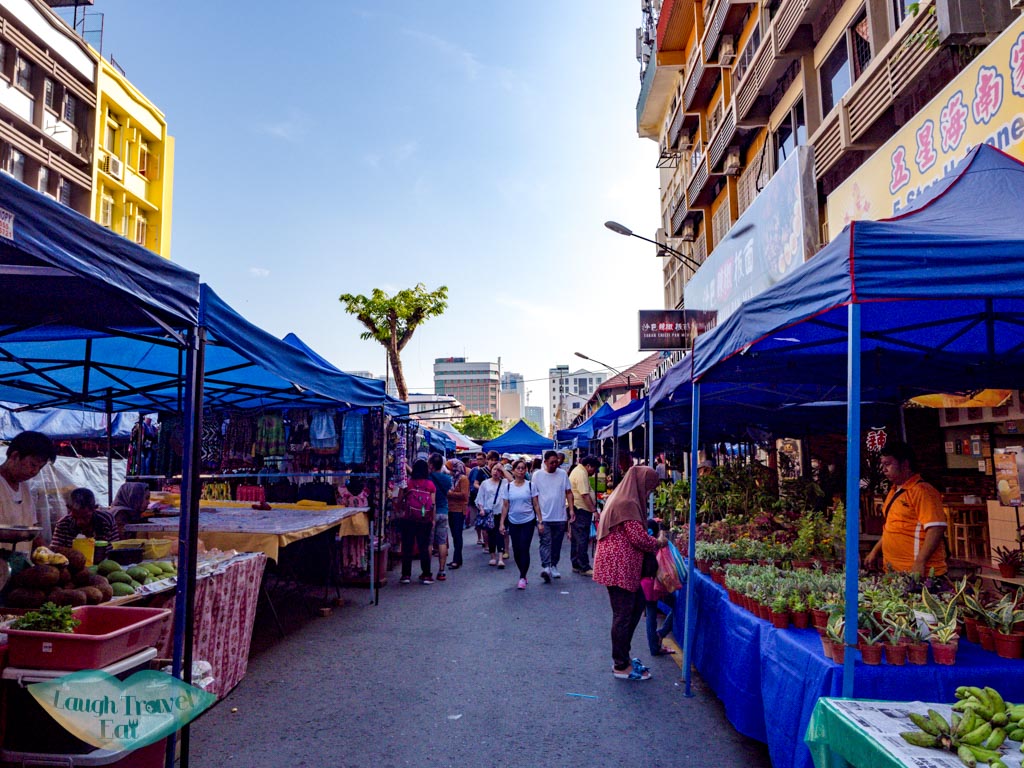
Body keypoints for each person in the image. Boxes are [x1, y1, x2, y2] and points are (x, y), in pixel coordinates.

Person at [592, 466, 667, 680]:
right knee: (624, 614)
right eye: (649, 488)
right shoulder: (627, 503)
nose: (649, 493)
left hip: (621, 564)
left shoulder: (623, 498)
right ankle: (621, 665)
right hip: (619, 565)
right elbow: (639, 538)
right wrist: (659, 542)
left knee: (634, 608)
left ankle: (623, 656)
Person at [864, 441, 947, 577]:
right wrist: (875, 551)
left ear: (905, 464)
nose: (884, 469)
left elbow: (936, 528)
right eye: (882, 464)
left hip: (919, 573)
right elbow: (892, 527)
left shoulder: (923, 491)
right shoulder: (894, 491)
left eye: (888, 464)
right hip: (894, 571)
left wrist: (920, 562)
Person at [0, 430, 56, 547]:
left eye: (40, 468)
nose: (35, 472)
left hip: (21, 563)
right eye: (33, 465)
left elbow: (32, 529)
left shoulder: (25, 488)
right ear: (14, 456)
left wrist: (50, 555)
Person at [499, 459, 543, 589]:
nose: (520, 470)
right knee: (517, 550)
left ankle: (522, 576)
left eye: (523, 468)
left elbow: (536, 504)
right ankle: (522, 572)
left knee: (524, 548)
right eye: (518, 468)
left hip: (528, 521)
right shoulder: (508, 487)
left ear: (526, 470)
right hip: (513, 521)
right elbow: (505, 506)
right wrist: (502, 523)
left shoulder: (530, 486)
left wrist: (540, 521)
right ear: (513, 471)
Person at [534, 450, 574, 583]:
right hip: (544, 516)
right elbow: (535, 497)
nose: (554, 465)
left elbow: (568, 492)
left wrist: (571, 510)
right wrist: (538, 517)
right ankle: (546, 566)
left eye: (556, 462)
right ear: (545, 462)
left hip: (560, 516)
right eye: (552, 463)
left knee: (556, 543)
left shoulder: (562, 474)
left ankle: (553, 565)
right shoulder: (537, 475)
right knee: (545, 542)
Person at [397, 459, 437, 584]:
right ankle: (426, 575)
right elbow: (433, 504)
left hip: (409, 519)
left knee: (407, 547)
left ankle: (406, 575)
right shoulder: (430, 485)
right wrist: (433, 519)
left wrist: (401, 508)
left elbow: (399, 500)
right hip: (425, 520)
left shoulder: (408, 483)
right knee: (423, 547)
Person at [641, 517, 676, 656]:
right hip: (654, 583)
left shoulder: (642, 544)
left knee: (651, 614)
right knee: (678, 606)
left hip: (643, 584)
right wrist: (661, 531)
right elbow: (664, 540)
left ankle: (654, 647)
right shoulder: (656, 545)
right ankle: (662, 633)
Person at [51, 488, 119, 548]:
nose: (80, 522)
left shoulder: (106, 520)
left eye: (85, 517)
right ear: (70, 510)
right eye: (75, 517)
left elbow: (113, 550)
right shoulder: (63, 524)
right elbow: (55, 551)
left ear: (94, 509)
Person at [570, 455, 600, 576]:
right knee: (582, 538)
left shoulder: (579, 471)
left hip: (579, 508)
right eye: (594, 469)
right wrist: (594, 510)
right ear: (588, 466)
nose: (594, 472)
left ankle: (576, 563)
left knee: (577, 538)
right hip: (581, 509)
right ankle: (584, 566)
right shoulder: (581, 473)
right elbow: (585, 495)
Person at [476, 463, 507, 567]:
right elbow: (480, 498)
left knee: (501, 534)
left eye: (498, 470)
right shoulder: (485, 483)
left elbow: (512, 480)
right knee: (491, 535)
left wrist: (503, 468)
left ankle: (501, 558)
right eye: (494, 469)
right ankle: (493, 557)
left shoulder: (505, 482)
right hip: (489, 513)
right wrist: (481, 509)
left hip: (501, 512)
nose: (496, 472)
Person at [427, 453, 453, 581]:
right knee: (442, 542)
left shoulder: (428, 477)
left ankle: (427, 570)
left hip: (430, 512)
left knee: (429, 542)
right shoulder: (447, 478)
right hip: (443, 511)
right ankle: (442, 571)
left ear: (431, 464)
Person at [446, 458, 469, 570]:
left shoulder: (463, 479)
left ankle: (457, 559)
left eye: (449, 468)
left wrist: (450, 493)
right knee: (455, 535)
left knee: (457, 534)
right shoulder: (453, 479)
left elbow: (464, 495)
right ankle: (457, 559)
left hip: (459, 510)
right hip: (451, 509)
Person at [468, 452, 489, 546]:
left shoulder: (488, 470)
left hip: (486, 499)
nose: (478, 461)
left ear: (485, 459)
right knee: (476, 519)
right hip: (474, 498)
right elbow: (469, 483)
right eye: (477, 459)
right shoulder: (473, 471)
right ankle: (479, 537)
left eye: (480, 459)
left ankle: (486, 539)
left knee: (484, 518)